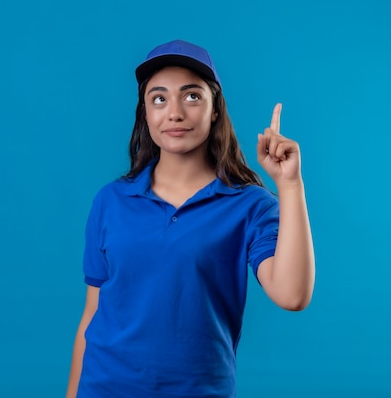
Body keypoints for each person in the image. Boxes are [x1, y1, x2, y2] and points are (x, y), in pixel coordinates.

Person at [66, 39, 315, 398]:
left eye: (192, 96)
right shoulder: (111, 201)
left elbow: (292, 295)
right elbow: (92, 312)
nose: (175, 113)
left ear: (215, 109)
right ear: (146, 113)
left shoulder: (249, 206)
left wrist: (290, 184)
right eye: (159, 98)